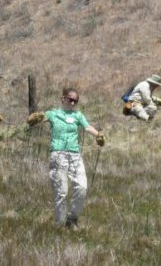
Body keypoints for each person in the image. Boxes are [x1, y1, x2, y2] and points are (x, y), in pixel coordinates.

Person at [27, 88, 105, 230]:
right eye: (70, 99)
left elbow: (87, 127)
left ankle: (72, 219)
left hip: (75, 155)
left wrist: (99, 135)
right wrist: (35, 118)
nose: (72, 102)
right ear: (63, 98)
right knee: (61, 191)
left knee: (82, 187)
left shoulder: (78, 115)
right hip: (58, 155)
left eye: (75, 100)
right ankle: (59, 223)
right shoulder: (54, 114)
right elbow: (39, 118)